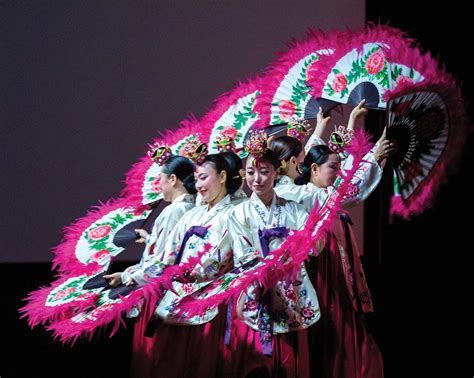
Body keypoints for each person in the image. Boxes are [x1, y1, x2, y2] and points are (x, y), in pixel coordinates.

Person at [131, 152, 242, 378]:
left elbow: (215, 259)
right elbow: (167, 256)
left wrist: (188, 273)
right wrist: (128, 277)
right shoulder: (192, 215)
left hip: (212, 302)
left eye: (204, 178)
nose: (198, 185)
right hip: (179, 296)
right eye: (197, 179)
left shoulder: (234, 213)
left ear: (222, 176)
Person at [227, 130, 319, 377]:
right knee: (255, 364)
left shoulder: (294, 210)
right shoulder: (237, 213)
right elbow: (242, 253)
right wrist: (265, 269)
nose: (257, 178)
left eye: (264, 171)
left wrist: (289, 258)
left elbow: (312, 246)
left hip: (291, 291)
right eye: (250, 172)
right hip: (256, 291)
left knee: (290, 364)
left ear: (277, 173)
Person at [104, 151, 196, 288]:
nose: (159, 185)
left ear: (172, 179)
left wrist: (128, 276)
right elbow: (173, 245)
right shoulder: (192, 207)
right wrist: (149, 239)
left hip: (167, 285)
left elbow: (164, 260)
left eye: (160, 178)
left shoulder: (173, 211)